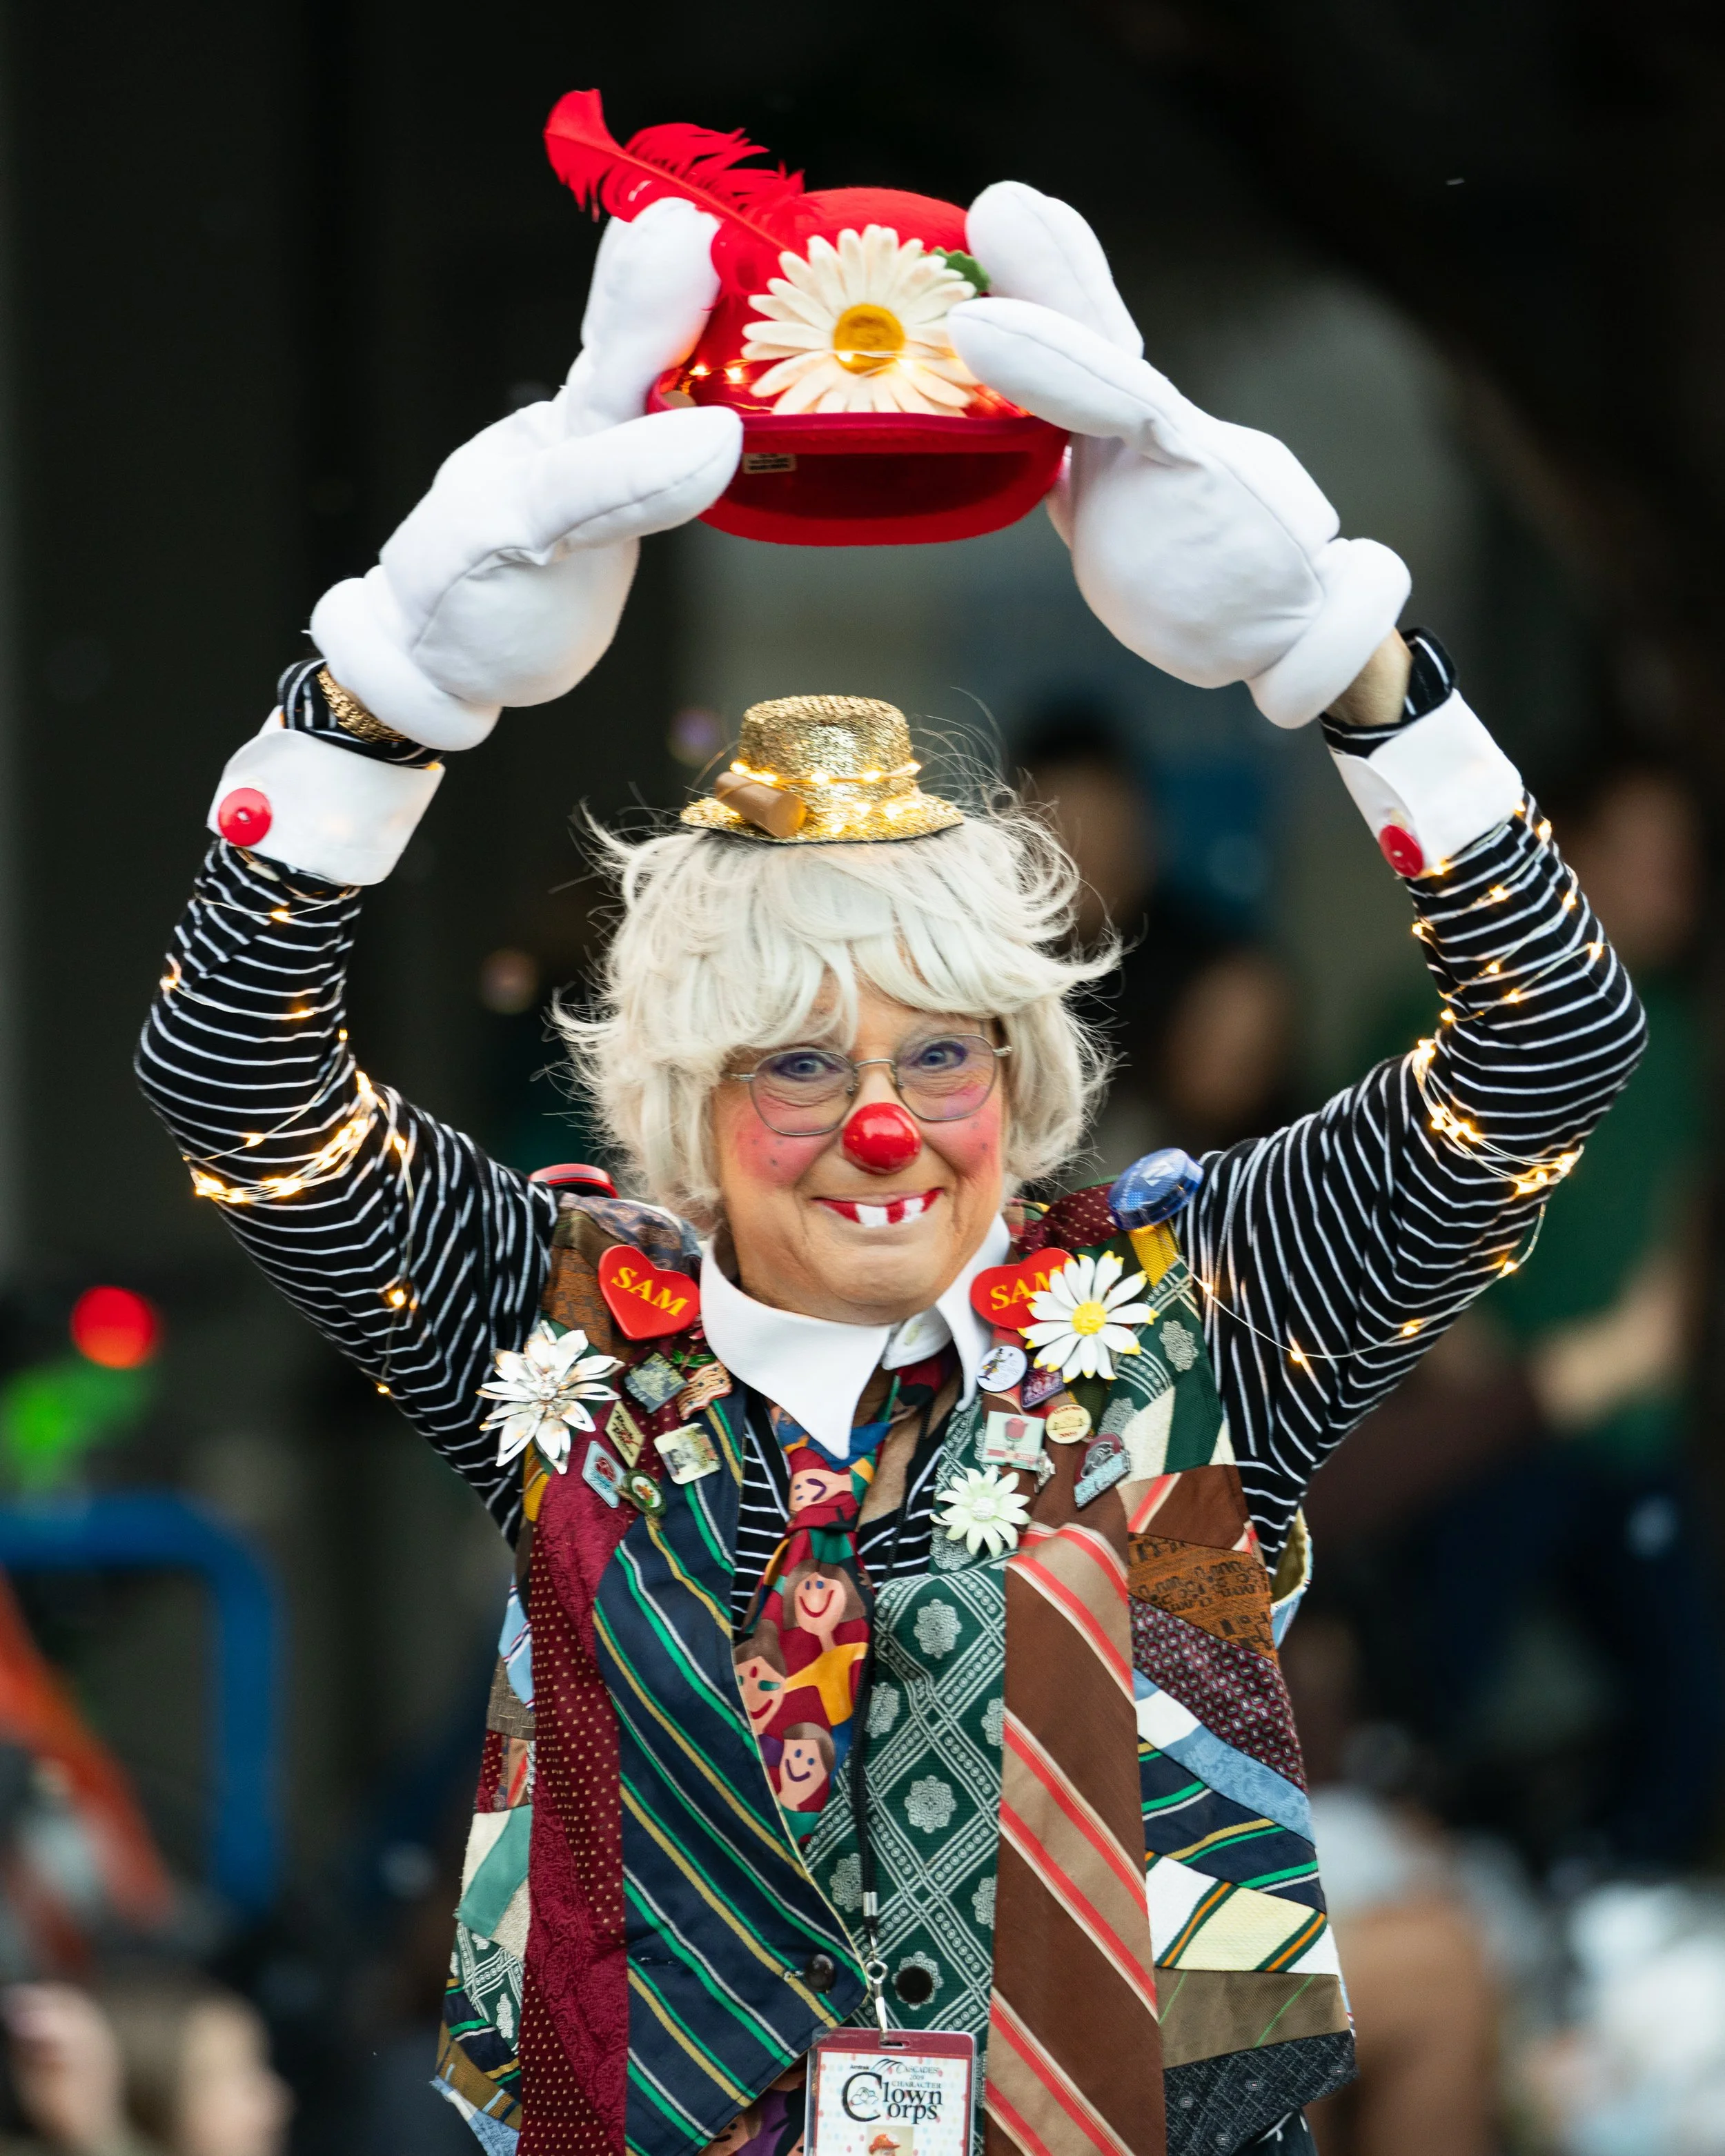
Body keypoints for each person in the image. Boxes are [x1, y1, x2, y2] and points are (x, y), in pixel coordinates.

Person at [136, 178, 1641, 2156]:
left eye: (942, 1052)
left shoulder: (1188, 1311)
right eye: (794, 1060)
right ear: (682, 1102)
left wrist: (1346, 668)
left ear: (1020, 1073)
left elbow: (1544, 1047)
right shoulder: (569, 1331)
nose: (882, 1125)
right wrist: (376, 708)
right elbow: (237, 1080)